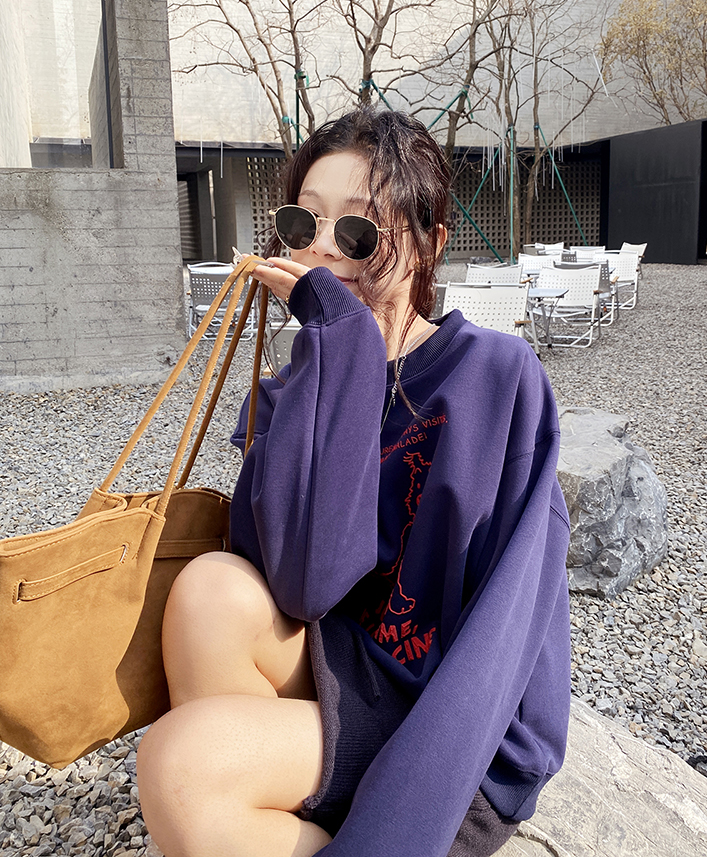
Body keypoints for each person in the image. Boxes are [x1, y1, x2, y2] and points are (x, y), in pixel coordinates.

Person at [136, 107, 571, 857]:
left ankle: (252, 814)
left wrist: (398, 833)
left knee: (180, 767)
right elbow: (303, 586)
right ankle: (255, 817)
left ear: (430, 243)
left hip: (447, 715)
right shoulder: (292, 388)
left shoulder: (496, 378)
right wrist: (338, 354)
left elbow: (506, 630)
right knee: (210, 591)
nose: (324, 250)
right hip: (348, 672)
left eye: (359, 229)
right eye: (303, 224)